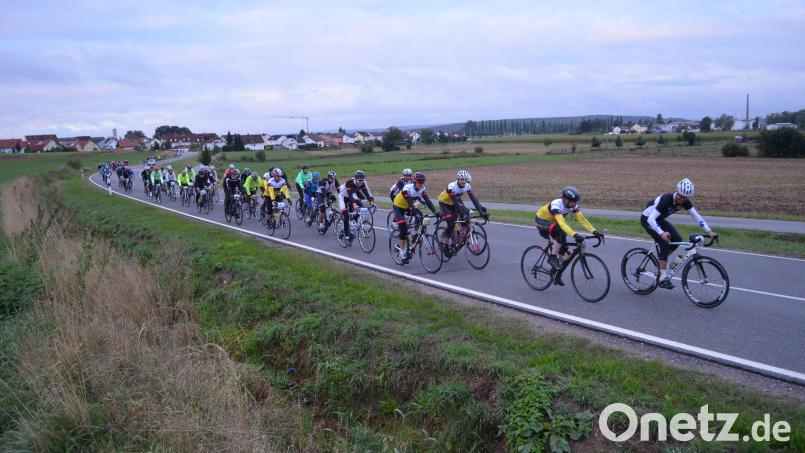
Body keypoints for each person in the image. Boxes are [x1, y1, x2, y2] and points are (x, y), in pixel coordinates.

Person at [642, 178, 718, 289]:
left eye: (685, 198)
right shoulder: (666, 200)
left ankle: (661, 262)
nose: (681, 199)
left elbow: (696, 216)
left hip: (659, 220)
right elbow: (651, 219)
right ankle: (662, 277)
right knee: (664, 243)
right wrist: (661, 233)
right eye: (680, 196)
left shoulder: (685, 202)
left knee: (677, 239)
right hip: (648, 219)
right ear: (677, 192)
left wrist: (709, 231)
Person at [535, 187, 602, 285]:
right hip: (542, 222)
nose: (575, 204)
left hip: (554, 224)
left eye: (576, 202)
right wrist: (575, 235)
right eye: (573, 201)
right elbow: (562, 224)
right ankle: (552, 257)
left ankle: (557, 274)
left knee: (566, 254)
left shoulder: (572, 206)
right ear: (566, 199)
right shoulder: (556, 205)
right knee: (561, 231)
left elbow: (582, 220)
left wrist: (594, 232)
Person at [392, 172, 439, 262]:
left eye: (422, 182)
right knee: (403, 228)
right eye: (419, 182)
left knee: (421, 218)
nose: (421, 184)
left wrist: (435, 212)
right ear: (414, 182)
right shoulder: (407, 188)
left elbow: (428, 201)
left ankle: (412, 236)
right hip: (399, 206)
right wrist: (416, 213)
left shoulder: (422, 189)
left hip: (409, 206)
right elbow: (411, 203)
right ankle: (401, 251)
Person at [437, 170, 487, 255]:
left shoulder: (467, 186)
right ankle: (444, 244)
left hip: (455, 201)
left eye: (465, 179)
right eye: (462, 179)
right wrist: (463, 214)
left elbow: (474, 200)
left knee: (466, 214)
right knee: (451, 223)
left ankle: (460, 235)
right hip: (445, 203)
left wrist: (481, 212)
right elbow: (456, 202)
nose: (464, 181)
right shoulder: (451, 187)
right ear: (458, 179)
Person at [337, 170, 375, 242]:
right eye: (360, 180)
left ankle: (354, 220)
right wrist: (355, 205)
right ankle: (346, 234)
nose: (361, 182)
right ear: (355, 178)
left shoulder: (362, 183)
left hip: (351, 196)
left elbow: (366, 193)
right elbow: (350, 196)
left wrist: (372, 202)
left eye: (362, 180)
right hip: (343, 197)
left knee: (362, 207)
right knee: (346, 215)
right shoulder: (349, 183)